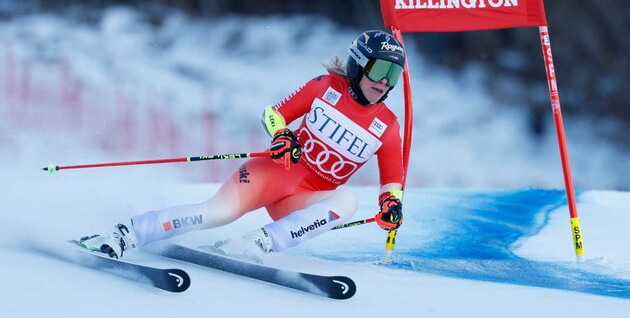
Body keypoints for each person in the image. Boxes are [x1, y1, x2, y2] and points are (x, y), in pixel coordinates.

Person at [78, 30, 406, 261]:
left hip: (302, 200)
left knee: (346, 200)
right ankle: (125, 234)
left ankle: (259, 242)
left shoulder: (388, 126)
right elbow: (273, 113)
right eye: (379, 69)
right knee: (216, 213)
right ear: (358, 65)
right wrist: (282, 136)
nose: (384, 82)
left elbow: (392, 179)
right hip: (273, 173)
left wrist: (392, 205)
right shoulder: (325, 87)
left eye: (393, 74)